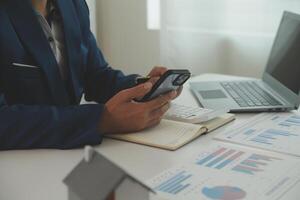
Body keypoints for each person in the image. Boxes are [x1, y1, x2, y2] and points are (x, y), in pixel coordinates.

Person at [0, 0, 181, 150]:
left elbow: (95, 75)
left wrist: (142, 87)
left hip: (69, 155)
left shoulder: (73, 5)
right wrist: (101, 120)